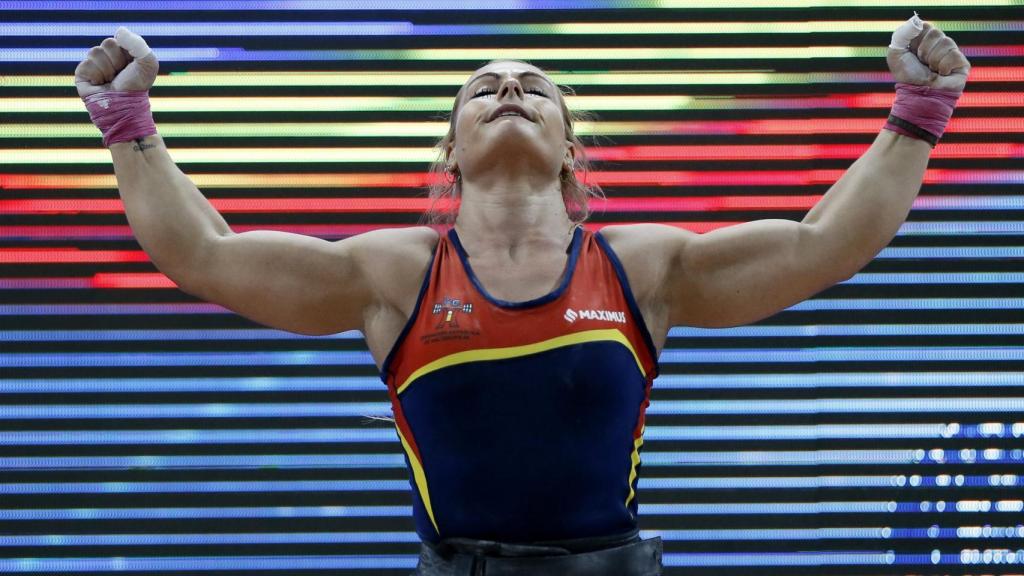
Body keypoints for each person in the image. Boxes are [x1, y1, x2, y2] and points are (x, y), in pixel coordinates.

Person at [75, 16, 969, 576]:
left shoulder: (640, 266)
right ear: (451, 154)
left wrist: (919, 110)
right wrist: (127, 124)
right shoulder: (395, 272)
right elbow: (203, 253)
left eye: (533, 87)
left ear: (571, 155)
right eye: (483, 88)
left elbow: (825, 246)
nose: (509, 89)